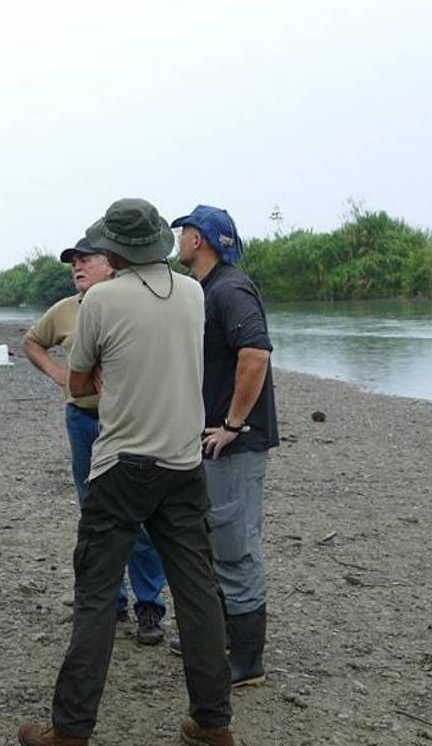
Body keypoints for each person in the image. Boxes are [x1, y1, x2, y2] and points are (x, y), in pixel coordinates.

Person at [18, 199, 235, 746]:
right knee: (197, 591)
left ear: (113, 250)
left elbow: (81, 381)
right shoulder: (191, 292)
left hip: (121, 466)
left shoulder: (101, 299)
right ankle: (212, 722)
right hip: (183, 462)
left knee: (94, 594)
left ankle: (69, 730)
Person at [22, 236, 168, 644]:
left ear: (111, 263)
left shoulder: (136, 303)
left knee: (139, 515)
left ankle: (149, 606)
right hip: (84, 421)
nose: (76, 266)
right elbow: (32, 342)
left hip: (132, 424)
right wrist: (59, 376)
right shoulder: (66, 310)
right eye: (73, 261)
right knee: (94, 512)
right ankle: (109, 601)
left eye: (85, 259)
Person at [172, 204, 277, 689]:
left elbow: (255, 353)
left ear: (201, 240)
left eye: (185, 232)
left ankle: (247, 662)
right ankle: (219, 640)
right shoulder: (207, 289)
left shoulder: (230, 288)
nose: (179, 240)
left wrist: (233, 424)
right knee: (214, 542)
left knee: (235, 549)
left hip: (234, 447)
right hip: (214, 444)